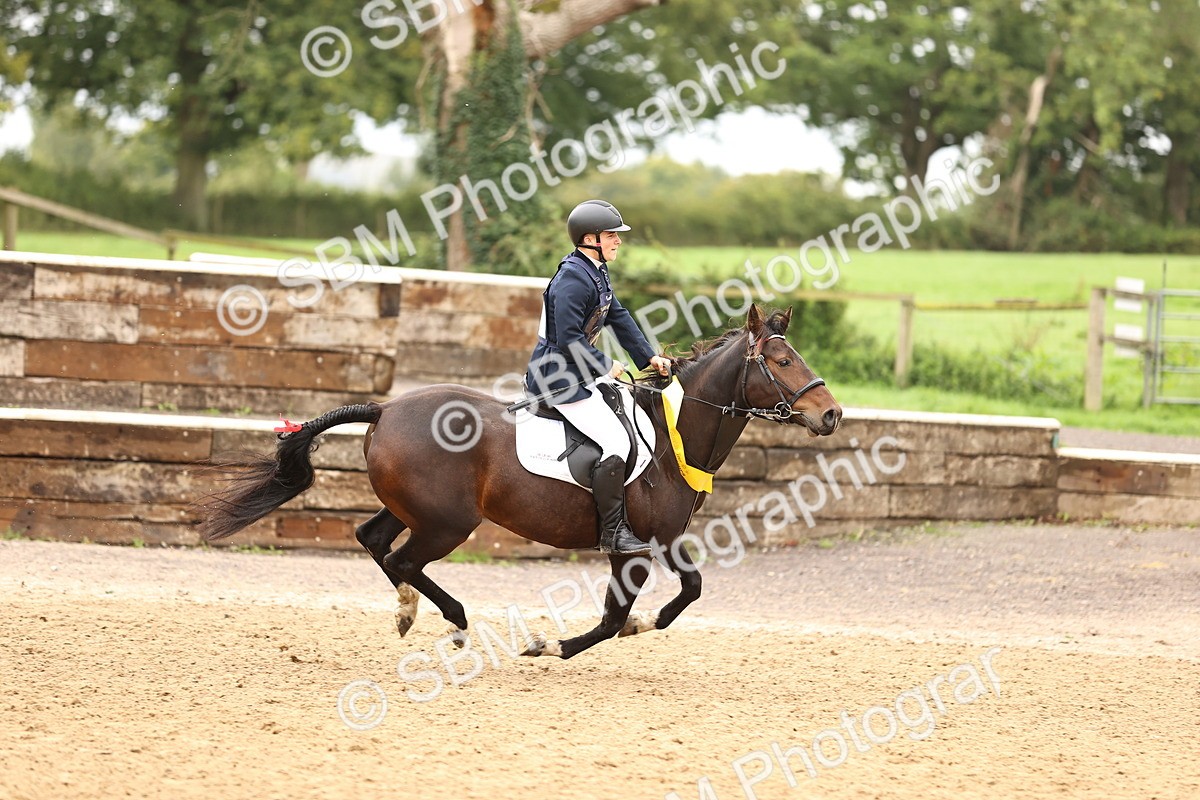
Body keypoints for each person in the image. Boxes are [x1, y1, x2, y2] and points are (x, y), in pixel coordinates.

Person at [524, 200, 673, 555]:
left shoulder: (594, 270)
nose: (618, 241)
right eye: (611, 235)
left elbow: (617, 316)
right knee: (616, 442)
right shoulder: (573, 278)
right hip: (556, 377)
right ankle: (613, 532)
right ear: (589, 238)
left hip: (578, 372)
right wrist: (604, 364)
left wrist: (647, 356)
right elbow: (568, 338)